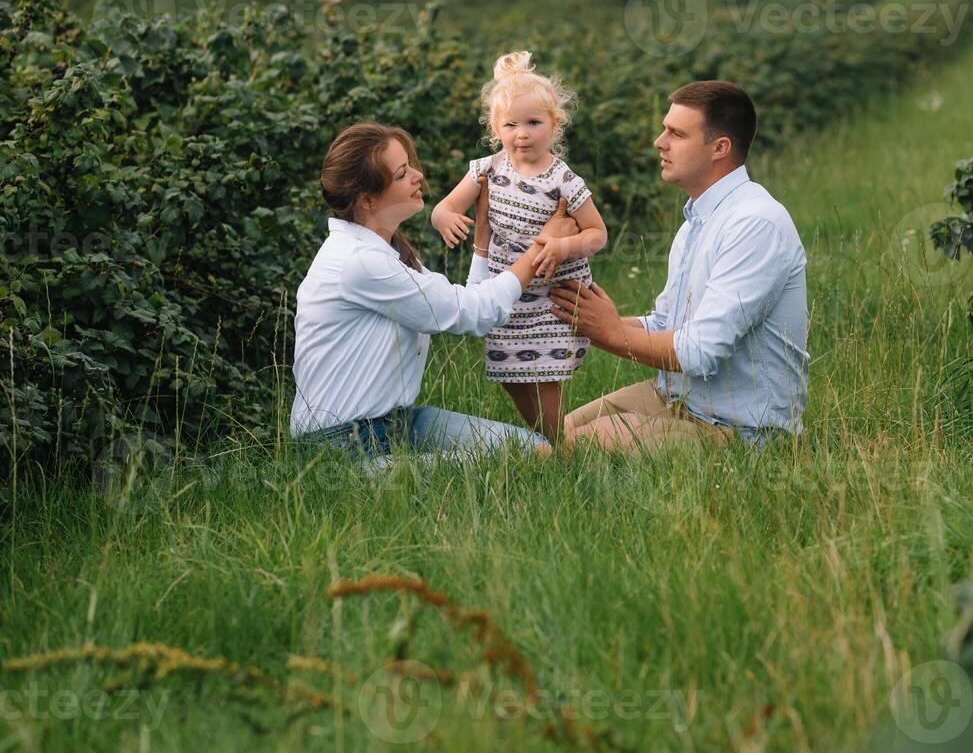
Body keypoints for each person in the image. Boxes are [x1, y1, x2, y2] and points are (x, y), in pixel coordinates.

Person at [548, 80, 809, 452]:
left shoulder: (755, 223)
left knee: (579, 445)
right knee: (551, 434)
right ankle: (443, 459)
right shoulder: (695, 223)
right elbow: (667, 325)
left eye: (676, 133)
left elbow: (699, 352)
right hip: (675, 400)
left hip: (740, 430)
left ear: (720, 148)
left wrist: (608, 331)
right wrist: (581, 319)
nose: (660, 141)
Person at [289, 122, 576, 458]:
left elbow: (468, 306)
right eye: (401, 174)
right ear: (367, 200)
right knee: (529, 459)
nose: (417, 177)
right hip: (343, 443)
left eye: (410, 165)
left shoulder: (386, 250)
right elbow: (475, 313)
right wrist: (541, 247)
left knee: (535, 450)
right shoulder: (360, 262)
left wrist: (482, 241)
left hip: (400, 423)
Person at [430, 51, 608, 443]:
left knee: (545, 378)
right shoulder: (486, 169)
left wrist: (565, 247)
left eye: (533, 123)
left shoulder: (563, 179)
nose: (522, 134)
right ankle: (551, 440)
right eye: (510, 125)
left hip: (550, 295)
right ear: (496, 127)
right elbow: (445, 206)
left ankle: (561, 447)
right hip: (507, 290)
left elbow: (598, 233)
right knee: (510, 376)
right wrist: (445, 218)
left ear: (554, 124)